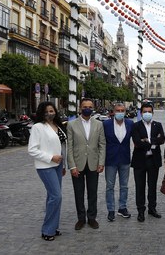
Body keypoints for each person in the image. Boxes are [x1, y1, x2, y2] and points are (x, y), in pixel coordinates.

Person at [28, 101, 66, 241]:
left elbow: (62, 146)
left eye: (51, 111)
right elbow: (32, 150)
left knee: (53, 197)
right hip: (45, 166)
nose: (49, 114)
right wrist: (51, 157)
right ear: (41, 113)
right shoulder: (38, 127)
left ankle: (53, 228)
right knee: (56, 196)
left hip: (57, 166)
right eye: (46, 112)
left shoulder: (58, 126)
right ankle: (47, 230)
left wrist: (63, 165)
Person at [67, 98, 106, 230]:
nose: (87, 109)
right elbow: (70, 147)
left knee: (93, 192)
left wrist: (101, 162)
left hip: (94, 164)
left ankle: (92, 218)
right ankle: (81, 218)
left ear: (93, 108)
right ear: (80, 108)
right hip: (77, 164)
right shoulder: (72, 124)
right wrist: (72, 166)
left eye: (90, 106)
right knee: (79, 193)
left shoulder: (98, 124)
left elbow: (102, 145)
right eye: (84, 106)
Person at [131, 103, 165, 222]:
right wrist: (153, 142)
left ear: (152, 113)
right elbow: (137, 142)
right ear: (141, 113)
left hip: (153, 160)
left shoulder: (158, 125)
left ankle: (152, 208)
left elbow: (162, 139)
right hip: (139, 161)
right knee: (140, 187)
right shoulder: (136, 126)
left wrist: (147, 140)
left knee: (152, 186)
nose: (147, 114)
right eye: (145, 111)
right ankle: (141, 211)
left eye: (149, 111)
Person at [102, 103, 134, 222]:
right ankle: (111, 210)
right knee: (110, 186)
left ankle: (122, 207)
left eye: (122, 110)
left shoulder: (130, 123)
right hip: (110, 159)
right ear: (113, 112)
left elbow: (135, 137)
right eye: (118, 110)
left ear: (125, 112)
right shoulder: (106, 124)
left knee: (124, 186)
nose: (120, 112)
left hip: (125, 158)